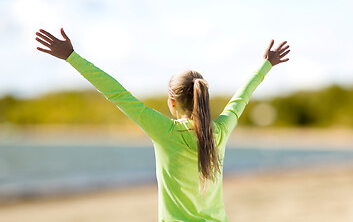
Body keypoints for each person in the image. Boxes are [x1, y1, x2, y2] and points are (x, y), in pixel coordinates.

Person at [35, 28, 290, 222]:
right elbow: (241, 98)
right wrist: (267, 64)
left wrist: (71, 57)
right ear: (204, 97)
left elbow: (118, 94)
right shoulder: (220, 131)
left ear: (172, 102)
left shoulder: (165, 131)